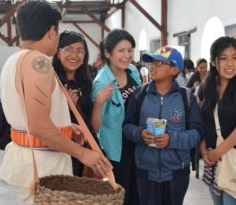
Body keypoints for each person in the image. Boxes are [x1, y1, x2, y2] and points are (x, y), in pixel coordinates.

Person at [0, 1, 112, 204]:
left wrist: (66, 127)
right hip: (42, 167)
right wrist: (83, 153)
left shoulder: (13, 60)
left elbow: (28, 119)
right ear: (52, 31)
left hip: (26, 159)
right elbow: (38, 126)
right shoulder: (39, 62)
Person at [123, 46, 203, 205]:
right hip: (145, 172)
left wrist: (171, 139)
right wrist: (139, 134)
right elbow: (127, 127)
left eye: (159, 63)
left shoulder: (187, 97)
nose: (152, 66)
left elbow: (197, 133)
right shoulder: (139, 95)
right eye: (152, 62)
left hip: (176, 173)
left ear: (174, 70)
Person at [198, 36, 236, 205]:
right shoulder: (206, 86)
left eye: (235, 58)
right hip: (212, 158)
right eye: (223, 58)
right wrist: (204, 152)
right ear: (213, 61)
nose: (230, 64)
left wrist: (218, 152)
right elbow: (201, 122)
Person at [91, 29, 142, 205]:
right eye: (121, 50)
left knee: (137, 193)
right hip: (117, 150)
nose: (126, 55)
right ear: (108, 53)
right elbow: (95, 127)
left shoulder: (133, 71)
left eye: (129, 50)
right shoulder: (101, 83)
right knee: (120, 196)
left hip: (137, 142)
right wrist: (98, 102)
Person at [52, 30, 96, 177]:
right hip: (60, 152)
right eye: (68, 49)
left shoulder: (87, 83)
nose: (74, 55)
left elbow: (92, 123)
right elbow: (42, 121)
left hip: (86, 150)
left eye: (80, 51)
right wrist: (65, 105)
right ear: (58, 53)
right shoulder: (51, 81)